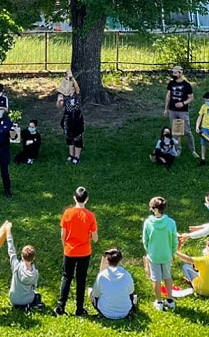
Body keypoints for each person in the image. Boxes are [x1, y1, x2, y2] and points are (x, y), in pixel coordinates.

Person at [55, 186, 98, 317]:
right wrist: (90, 235)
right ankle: (79, 309)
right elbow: (95, 238)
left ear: (74, 198)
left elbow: (63, 234)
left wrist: (65, 247)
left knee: (66, 277)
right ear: (87, 200)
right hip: (84, 252)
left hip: (69, 251)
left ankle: (61, 306)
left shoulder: (67, 213)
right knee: (81, 279)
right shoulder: (90, 216)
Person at [142, 197, 178, 311]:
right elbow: (174, 240)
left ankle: (159, 301)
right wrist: (172, 252)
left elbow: (145, 240)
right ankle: (170, 299)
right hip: (167, 254)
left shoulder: (148, 223)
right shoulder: (171, 223)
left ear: (154, 209)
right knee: (167, 276)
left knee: (156, 279)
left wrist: (149, 251)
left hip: (154, 256)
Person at [89, 248, 136, 319]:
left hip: (105, 312)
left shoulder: (101, 275)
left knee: (90, 291)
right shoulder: (126, 274)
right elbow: (131, 292)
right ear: (120, 260)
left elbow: (96, 295)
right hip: (125, 312)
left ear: (107, 260)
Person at [163, 65, 198, 158]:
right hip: (172, 110)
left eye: (175, 73)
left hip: (183, 111)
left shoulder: (187, 85)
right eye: (173, 73)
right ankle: (178, 149)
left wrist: (183, 103)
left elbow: (191, 98)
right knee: (175, 131)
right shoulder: (171, 83)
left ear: (180, 73)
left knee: (187, 131)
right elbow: (168, 96)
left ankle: (193, 150)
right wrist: (166, 109)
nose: (173, 74)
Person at [6, 224, 42, 311]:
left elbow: (11, 251)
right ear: (33, 258)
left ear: (22, 256)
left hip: (13, 298)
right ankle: (30, 306)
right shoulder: (35, 273)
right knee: (37, 295)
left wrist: (8, 233)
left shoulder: (16, 267)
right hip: (27, 299)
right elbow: (34, 287)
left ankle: (19, 305)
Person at [57, 70, 84, 165]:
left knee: (77, 137)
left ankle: (77, 156)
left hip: (77, 118)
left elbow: (77, 88)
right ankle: (71, 154)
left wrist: (72, 77)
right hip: (68, 118)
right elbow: (59, 106)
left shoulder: (77, 95)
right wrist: (59, 101)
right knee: (69, 137)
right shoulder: (65, 97)